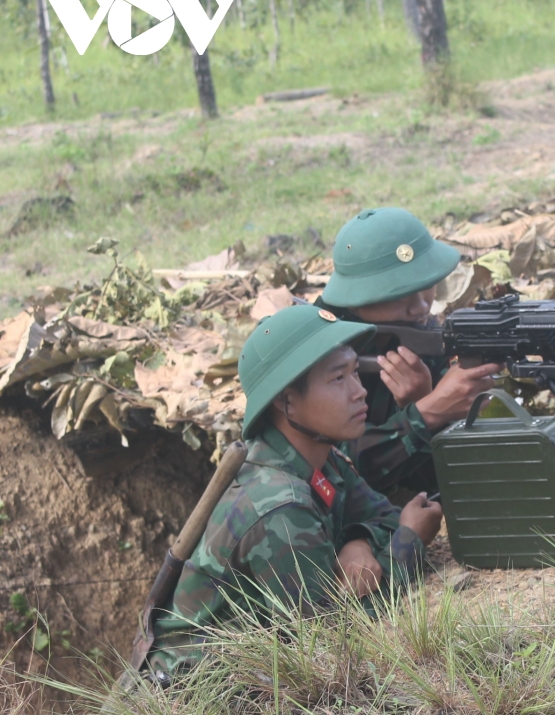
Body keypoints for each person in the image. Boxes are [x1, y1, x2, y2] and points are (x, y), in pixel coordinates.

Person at [144, 303, 444, 680]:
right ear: (287, 402)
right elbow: (333, 640)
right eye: (338, 379)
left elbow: (381, 515)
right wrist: (409, 542)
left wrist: (359, 541)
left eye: (355, 373)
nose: (359, 392)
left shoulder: (319, 457)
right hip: (192, 692)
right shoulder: (277, 505)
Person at [316, 207, 501, 504]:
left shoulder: (419, 334)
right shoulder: (312, 356)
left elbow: (445, 481)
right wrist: (426, 413)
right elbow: (332, 471)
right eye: (397, 295)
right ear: (354, 303)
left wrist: (421, 404)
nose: (420, 307)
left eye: (425, 284)